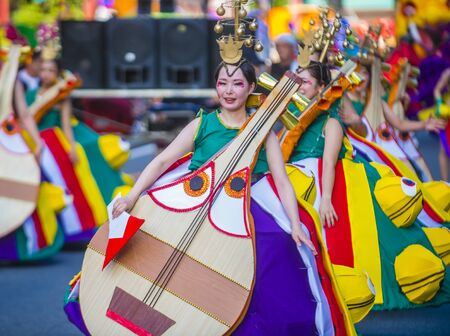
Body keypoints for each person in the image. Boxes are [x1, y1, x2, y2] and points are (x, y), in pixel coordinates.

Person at [65, 60, 355, 335]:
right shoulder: (202, 123)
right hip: (192, 196)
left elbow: (281, 180)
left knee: (272, 245)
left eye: (237, 83)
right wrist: (131, 196)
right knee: (145, 231)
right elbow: (161, 162)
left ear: (251, 88)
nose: (229, 91)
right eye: (222, 83)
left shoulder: (264, 132)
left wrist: (294, 224)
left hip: (244, 201)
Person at [286, 60, 450, 312]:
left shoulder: (330, 123)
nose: (300, 86)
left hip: (329, 186)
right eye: (299, 81)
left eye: (306, 82)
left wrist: (327, 198)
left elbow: (329, 162)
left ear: (321, 88)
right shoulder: (294, 119)